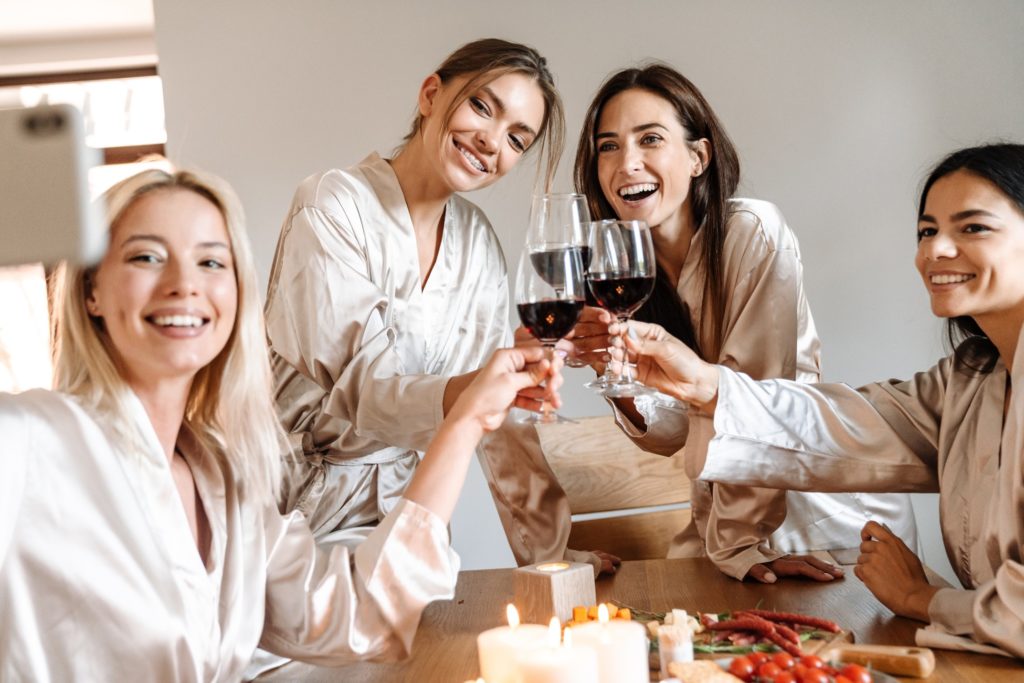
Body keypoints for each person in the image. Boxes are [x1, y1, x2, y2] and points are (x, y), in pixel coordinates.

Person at [0, 167, 564, 680]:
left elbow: (362, 616)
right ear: (91, 290)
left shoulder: (225, 483)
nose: (184, 282)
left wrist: (465, 422)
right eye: (146, 257)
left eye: (211, 261)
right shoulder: (32, 442)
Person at [619, 143, 1024, 657]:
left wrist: (923, 598)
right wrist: (706, 384)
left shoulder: (753, 228)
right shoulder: (973, 379)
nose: (936, 250)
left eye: (973, 228)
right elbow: (843, 422)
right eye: (927, 231)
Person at [264, 38, 612, 573]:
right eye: (481, 106)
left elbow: (501, 422)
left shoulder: (478, 244)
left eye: (517, 138)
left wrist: (548, 555)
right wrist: (480, 389)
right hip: (288, 515)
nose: (491, 141)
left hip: (404, 512)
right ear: (431, 94)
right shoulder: (331, 204)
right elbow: (366, 392)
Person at [570, 64, 916, 583]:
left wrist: (742, 547)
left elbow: (754, 400)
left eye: (650, 140)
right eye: (609, 146)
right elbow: (675, 431)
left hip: (825, 525)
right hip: (725, 528)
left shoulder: (752, 232)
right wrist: (617, 383)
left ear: (697, 158)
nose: (628, 164)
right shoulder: (626, 272)